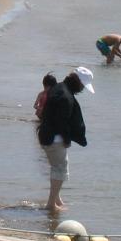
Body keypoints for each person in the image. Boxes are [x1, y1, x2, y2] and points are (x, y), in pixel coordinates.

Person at [37, 70, 91, 216]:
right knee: (60, 170)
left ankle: (57, 200)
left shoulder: (59, 87)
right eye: (83, 86)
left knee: (57, 168)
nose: (82, 90)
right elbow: (61, 121)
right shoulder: (66, 96)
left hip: (45, 135)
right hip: (55, 139)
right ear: (78, 81)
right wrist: (67, 139)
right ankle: (51, 204)